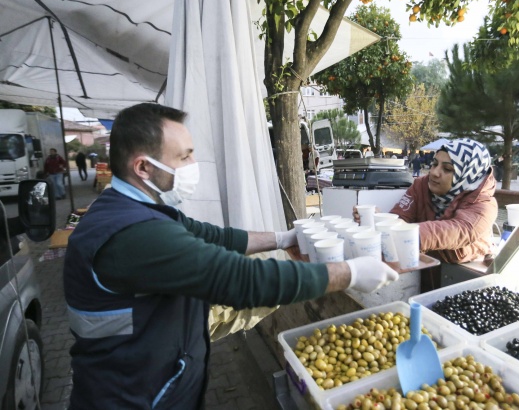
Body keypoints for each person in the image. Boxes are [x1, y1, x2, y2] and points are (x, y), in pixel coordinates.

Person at [63, 103, 398, 409]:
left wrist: (282, 238)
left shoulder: (133, 209)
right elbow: (240, 279)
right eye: (184, 157)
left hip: (154, 383)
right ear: (143, 167)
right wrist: (349, 273)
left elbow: (212, 236)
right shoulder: (133, 234)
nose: (193, 166)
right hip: (132, 399)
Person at [353, 138, 497, 285]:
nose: (434, 172)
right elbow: (401, 216)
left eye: (447, 169)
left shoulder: (484, 204)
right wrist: (379, 219)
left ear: (468, 174)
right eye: (434, 164)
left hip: (463, 280)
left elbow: (459, 230)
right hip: (422, 275)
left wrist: (409, 232)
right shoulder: (421, 186)